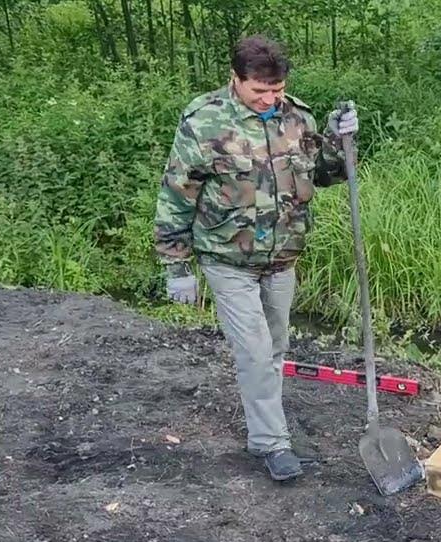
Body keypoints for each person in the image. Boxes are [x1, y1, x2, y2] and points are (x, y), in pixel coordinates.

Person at [154, 35, 359, 482]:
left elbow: (326, 173)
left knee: (277, 349)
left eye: (277, 89)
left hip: (282, 258)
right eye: (259, 91)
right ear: (236, 79)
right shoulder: (205, 120)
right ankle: (272, 443)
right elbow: (177, 192)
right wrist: (176, 265)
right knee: (255, 350)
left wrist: (341, 139)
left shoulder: (296, 117)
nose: (269, 99)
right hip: (226, 259)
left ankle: (269, 428)